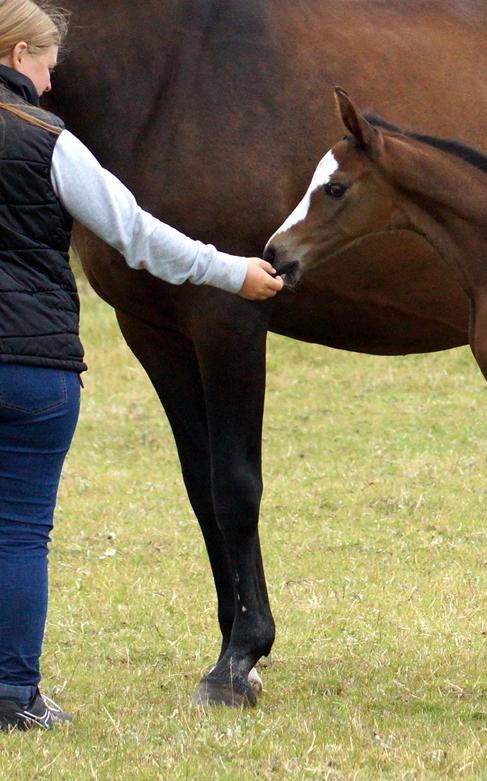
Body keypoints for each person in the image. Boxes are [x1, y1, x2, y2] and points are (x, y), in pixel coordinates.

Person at [0, 0, 284, 731]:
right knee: (22, 533)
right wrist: (232, 274)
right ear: (15, 56)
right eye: (45, 63)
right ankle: (13, 693)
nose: (52, 81)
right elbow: (137, 233)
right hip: (32, 366)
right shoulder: (49, 142)